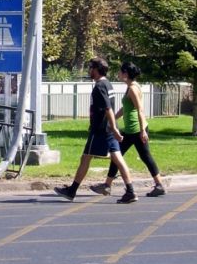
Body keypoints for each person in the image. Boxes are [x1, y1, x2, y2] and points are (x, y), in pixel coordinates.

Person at [54, 57, 138, 204]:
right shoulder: (107, 84)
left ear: (97, 70)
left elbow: (108, 109)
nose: (89, 70)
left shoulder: (100, 86)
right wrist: (114, 128)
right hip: (108, 129)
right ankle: (130, 191)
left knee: (86, 157)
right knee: (117, 159)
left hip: (101, 130)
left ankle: (72, 191)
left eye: (91, 67)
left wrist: (113, 128)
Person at [90, 61, 166, 198]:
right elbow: (125, 108)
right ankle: (107, 185)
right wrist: (113, 119)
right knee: (122, 155)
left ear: (126, 73)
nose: (118, 74)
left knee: (125, 155)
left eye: (120, 71)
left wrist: (143, 130)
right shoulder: (131, 86)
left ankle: (107, 186)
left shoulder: (132, 89)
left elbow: (140, 110)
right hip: (132, 130)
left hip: (136, 130)